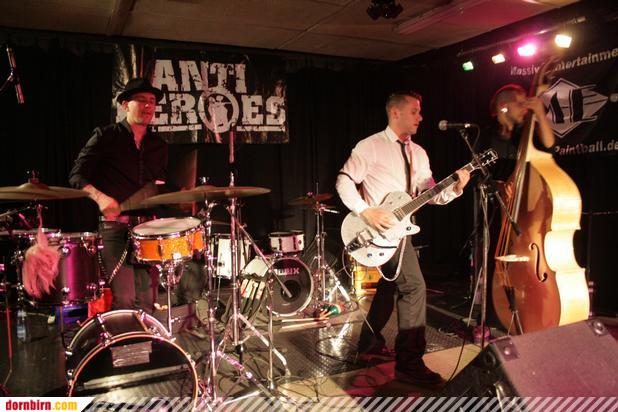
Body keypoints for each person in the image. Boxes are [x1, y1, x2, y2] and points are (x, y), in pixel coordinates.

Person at [336, 91, 470, 385]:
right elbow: (344, 180)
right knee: (414, 287)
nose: (420, 117)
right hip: (377, 231)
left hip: (401, 231)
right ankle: (409, 363)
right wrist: (365, 210)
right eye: (414, 111)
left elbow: (430, 193)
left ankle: (369, 344)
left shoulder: (418, 153)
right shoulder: (371, 146)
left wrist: (455, 187)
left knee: (389, 287)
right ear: (395, 113)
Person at [69, 78, 167, 313]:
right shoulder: (106, 136)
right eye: (141, 100)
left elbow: (161, 184)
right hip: (114, 229)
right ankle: (122, 337)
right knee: (124, 298)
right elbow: (76, 175)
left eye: (152, 101)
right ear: (125, 104)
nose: (148, 106)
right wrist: (100, 198)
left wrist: (181, 195)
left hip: (147, 230)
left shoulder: (159, 144)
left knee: (147, 300)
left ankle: (142, 338)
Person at [473, 84, 555, 325]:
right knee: (493, 262)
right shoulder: (486, 136)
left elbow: (549, 145)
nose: (524, 108)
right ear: (503, 107)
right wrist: (499, 186)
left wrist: (540, 114)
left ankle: (528, 309)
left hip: (525, 210)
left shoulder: (525, 133)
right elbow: (477, 174)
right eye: (520, 103)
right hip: (495, 209)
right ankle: (488, 319)